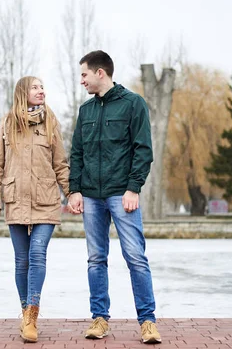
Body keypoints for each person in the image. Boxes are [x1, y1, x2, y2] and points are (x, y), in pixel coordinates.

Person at [67, 50, 162, 344]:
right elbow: (77, 153)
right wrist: (74, 189)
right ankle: (99, 319)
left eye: (84, 74)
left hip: (122, 195)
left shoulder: (133, 104)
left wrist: (133, 188)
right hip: (92, 197)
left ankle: (147, 322)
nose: (81, 80)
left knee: (135, 258)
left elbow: (143, 150)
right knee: (96, 259)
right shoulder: (86, 111)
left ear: (100, 73)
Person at [0, 76, 70, 343]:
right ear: (23, 92)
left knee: (37, 253)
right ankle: (25, 311)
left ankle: (32, 316)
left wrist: (72, 195)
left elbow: (61, 164)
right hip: (15, 200)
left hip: (46, 200)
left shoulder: (51, 122)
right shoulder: (7, 123)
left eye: (43, 87)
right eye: (35, 87)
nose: (41, 91)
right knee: (21, 260)